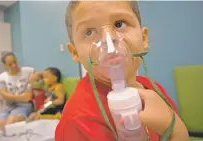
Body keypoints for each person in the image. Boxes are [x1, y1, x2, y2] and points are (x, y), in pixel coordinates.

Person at [55, 1, 189, 141]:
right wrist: (175, 129)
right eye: (89, 32)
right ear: (75, 52)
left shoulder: (154, 90)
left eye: (119, 24)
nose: (109, 41)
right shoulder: (78, 121)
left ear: (143, 38)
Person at [0, 52, 34, 130]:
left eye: (15, 62)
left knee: (11, 123)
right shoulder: (2, 77)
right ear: (5, 65)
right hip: (7, 106)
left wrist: (32, 80)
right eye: (10, 64)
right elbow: (5, 95)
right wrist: (21, 96)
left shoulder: (28, 71)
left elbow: (43, 75)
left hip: (23, 105)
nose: (14, 65)